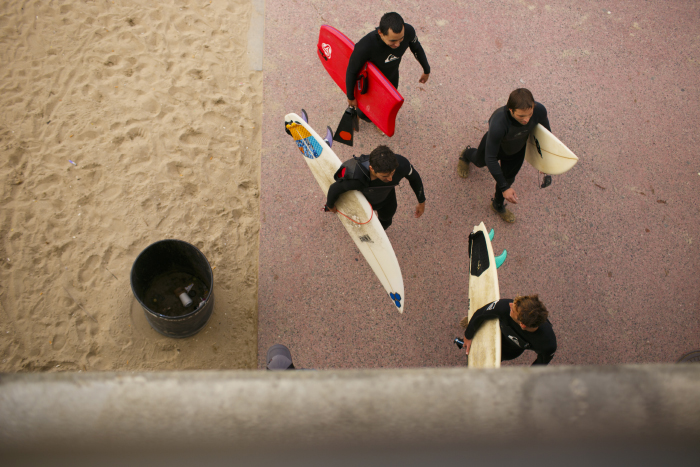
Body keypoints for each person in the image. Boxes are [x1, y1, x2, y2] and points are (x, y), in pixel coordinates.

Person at [457, 88, 551, 223]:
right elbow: (490, 158)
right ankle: (466, 154)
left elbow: (546, 137)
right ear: (510, 110)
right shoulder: (499, 122)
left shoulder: (539, 110)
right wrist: (505, 188)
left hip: (516, 150)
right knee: (479, 162)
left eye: (529, 114)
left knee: (508, 180)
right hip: (495, 147)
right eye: (521, 116)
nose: (526, 120)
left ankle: (497, 205)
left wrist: (545, 161)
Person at [346, 12, 430, 123]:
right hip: (370, 81)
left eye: (401, 39)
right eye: (393, 41)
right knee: (364, 114)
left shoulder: (409, 30)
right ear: (380, 33)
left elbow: (417, 48)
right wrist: (351, 97)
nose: (398, 45)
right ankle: (357, 114)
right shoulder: (366, 45)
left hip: (392, 76)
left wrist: (426, 69)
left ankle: (378, 122)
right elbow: (352, 70)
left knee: (387, 105)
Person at [326, 145, 425, 230]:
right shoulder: (355, 178)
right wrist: (330, 206)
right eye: (385, 176)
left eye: (393, 173)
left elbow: (415, 178)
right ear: (372, 169)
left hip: (387, 199)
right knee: (361, 222)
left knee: (387, 220)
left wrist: (421, 201)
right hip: (364, 201)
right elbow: (334, 189)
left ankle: (381, 231)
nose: (391, 179)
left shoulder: (401, 164)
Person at [459, 295, 556, 366]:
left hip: (508, 351)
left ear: (522, 324)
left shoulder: (547, 344)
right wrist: (468, 335)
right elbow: (481, 313)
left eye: (513, 310)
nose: (510, 304)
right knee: (484, 317)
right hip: (495, 328)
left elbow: (541, 363)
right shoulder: (504, 306)